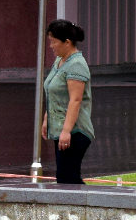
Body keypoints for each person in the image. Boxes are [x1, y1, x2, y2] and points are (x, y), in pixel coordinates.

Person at [42, 19, 93, 185]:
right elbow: (54, 92)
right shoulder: (60, 61)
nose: (51, 46)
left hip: (75, 132)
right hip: (63, 131)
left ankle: (86, 207)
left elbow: (75, 100)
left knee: (67, 179)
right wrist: (46, 119)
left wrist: (66, 131)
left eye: (53, 42)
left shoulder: (76, 64)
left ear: (67, 42)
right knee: (65, 178)